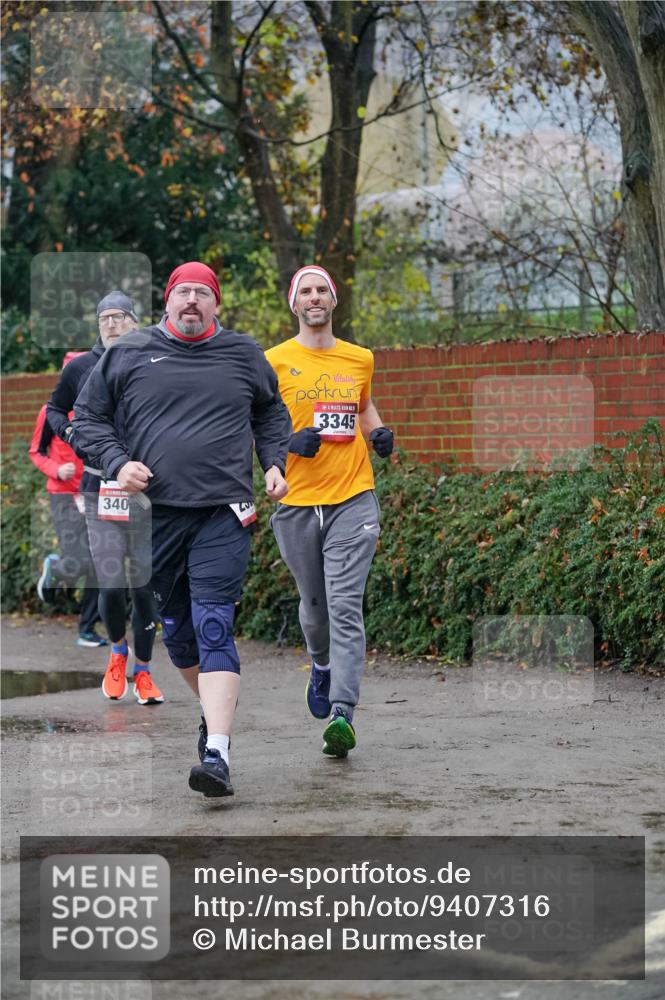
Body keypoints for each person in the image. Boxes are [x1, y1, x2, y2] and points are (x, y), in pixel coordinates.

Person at [73, 262, 291, 798]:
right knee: (178, 635)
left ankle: (217, 751)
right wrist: (118, 463)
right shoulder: (129, 353)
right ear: (166, 302)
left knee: (215, 623)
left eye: (202, 293)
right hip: (155, 516)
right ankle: (211, 712)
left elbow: (271, 413)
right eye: (182, 292)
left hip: (224, 510)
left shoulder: (244, 355)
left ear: (216, 303)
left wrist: (274, 462)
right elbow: (85, 419)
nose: (192, 300)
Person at [266, 265, 394, 758]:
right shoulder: (272, 361)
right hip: (297, 502)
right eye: (306, 291)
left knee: (344, 606)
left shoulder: (360, 358)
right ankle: (320, 666)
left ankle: (343, 712)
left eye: (322, 290)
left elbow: (363, 409)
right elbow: (256, 425)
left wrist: (377, 434)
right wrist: (286, 444)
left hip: (353, 496)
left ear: (333, 300)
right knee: (315, 610)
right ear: (293, 303)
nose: (315, 298)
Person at [46, 291, 162, 706]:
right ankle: (117, 651)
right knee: (111, 585)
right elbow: (55, 410)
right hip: (100, 490)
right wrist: (73, 435)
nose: (111, 324)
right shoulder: (81, 367)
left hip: (147, 493)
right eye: (104, 318)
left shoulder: (153, 361)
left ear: (135, 323)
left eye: (119, 317)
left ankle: (144, 672)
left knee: (145, 588)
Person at [29, 354, 104, 647]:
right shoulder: (50, 411)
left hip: (94, 492)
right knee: (82, 560)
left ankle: (87, 629)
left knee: (100, 563)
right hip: (63, 494)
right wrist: (57, 469)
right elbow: (36, 451)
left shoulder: (101, 406)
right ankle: (57, 567)